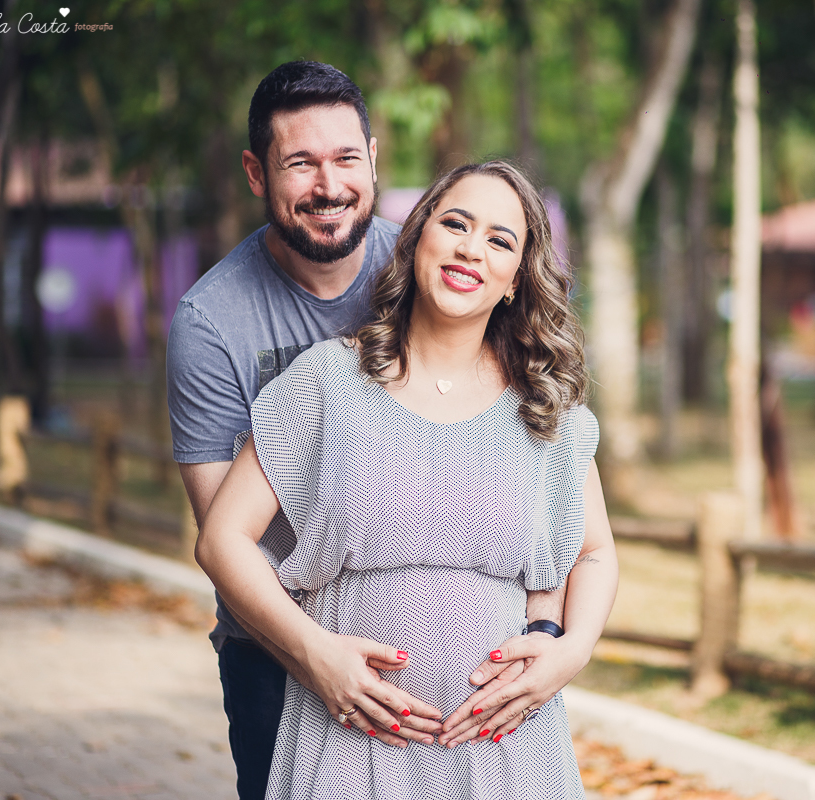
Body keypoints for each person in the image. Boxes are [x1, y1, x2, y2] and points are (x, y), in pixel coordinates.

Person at [166, 62, 567, 799]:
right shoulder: (214, 323)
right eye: (300, 163)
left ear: (374, 160)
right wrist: (319, 656)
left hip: (476, 716)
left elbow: (548, 495)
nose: (329, 185)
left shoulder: (437, 258)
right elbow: (227, 533)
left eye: (346, 158)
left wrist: (549, 635)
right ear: (256, 172)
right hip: (278, 652)